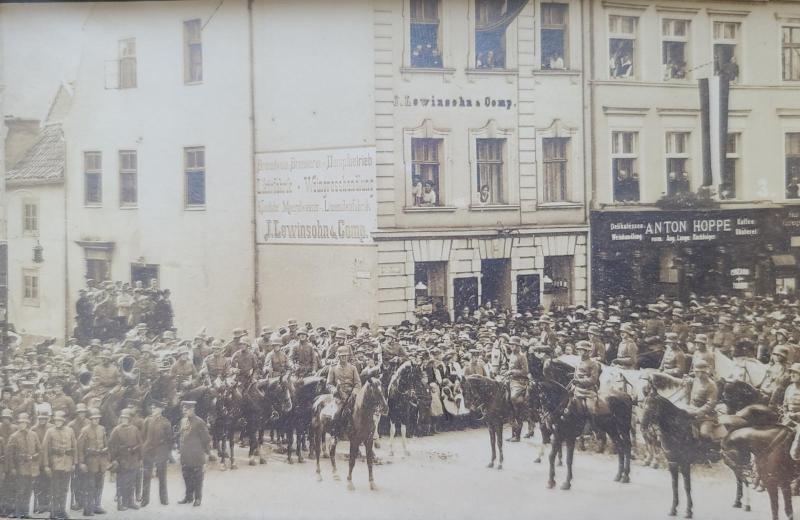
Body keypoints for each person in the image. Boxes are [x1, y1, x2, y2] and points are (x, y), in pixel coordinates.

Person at [42, 411, 76, 520]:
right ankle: (54, 511)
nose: (58, 422)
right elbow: (44, 449)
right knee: (55, 489)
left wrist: (74, 463)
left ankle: (62, 510)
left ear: (64, 421)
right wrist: (46, 465)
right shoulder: (50, 431)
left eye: (60, 420)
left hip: (67, 464)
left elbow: (74, 447)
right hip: (55, 464)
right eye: (56, 420)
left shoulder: (70, 430)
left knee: (64, 489)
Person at [7, 413, 41, 519]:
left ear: (27, 423)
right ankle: (17, 512)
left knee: (28, 491)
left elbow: (39, 450)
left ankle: (25, 512)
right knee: (20, 491)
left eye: (24, 423)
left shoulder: (33, 435)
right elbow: (10, 454)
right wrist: (12, 468)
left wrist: (34, 456)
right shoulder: (14, 436)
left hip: (31, 468)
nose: (22, 424)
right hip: (20, 468)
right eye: (20, 423)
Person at [178, 401, 211, 507]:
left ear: (192, 409)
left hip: (196, 455)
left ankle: (197, 498)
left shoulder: (199, 422)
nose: (184, 411)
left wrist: (206, 454)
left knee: (197, 478)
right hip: (185, 455)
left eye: (186, 409)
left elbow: (206, 439)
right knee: (186, 477)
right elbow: (181, 437)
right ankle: (188, 497)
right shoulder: (183, 421)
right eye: (183, 409)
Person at [76, 408, 108, 517]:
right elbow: (80, 448)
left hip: (101, 461)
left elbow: (106, 444)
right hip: (90, 461)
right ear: (90, 419)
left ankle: (97, 506)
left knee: (99, 484)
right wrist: (81, 463)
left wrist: (106, 454)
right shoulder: (85, 430)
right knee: (90, 485)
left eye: (98, 418)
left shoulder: (102, 429)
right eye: (94, 418)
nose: (96, 420)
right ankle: (88, 508)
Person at [109, 408, 142, 511]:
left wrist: (139, 457)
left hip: (133, 459)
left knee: (131, 482)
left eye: (126, 418)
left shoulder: (135, 429)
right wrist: (113, 459)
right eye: (123, 418)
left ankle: (130, 502)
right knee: (121, 482)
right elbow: (111, 446)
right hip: (121, 460)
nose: (124, 420)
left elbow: (140, 444)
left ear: (130, 419)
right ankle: (120, 503)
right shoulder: (116, 430)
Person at [326, 346, 362, 435]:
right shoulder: (333, 368)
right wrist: (334, 390)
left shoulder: (353, 368)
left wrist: (354, 392)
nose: (343, 358)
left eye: (345, 356)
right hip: (339, 396)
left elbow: (358, 383)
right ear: (338, 356)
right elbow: (329, 384)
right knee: (336, 413)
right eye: (341, 356)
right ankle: (334, 433)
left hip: (351, 395)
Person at [141, 402, 171, 507]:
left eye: (155, 408)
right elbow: (143, 436)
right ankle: (145, 500)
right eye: (152, 408)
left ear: (161, 410)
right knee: (146, 476)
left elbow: (169, 439)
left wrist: (166, 453)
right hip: (148, 451)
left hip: (160, 452)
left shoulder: (166, 422)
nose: (153, 410)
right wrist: (144, 448)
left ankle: (164, 499)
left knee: (162, 476)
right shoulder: (147, 420)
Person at [681, 359, 719, 441]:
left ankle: (712, 447)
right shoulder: (695, 380)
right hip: (691, 410)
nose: (699, 375)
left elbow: (711, 404)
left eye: (702, 372)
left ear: (706, 372)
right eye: (697, 372)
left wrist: (699, 411)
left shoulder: (711, 385)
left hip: (706, 415)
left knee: (704, 434)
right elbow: (688, 394)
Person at [504, 337, 529, 442]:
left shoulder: (522, 356)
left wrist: (512, 372)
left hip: (519, 381)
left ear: (518, 346)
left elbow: (525, 371)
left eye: (514, 345)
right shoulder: (512, 355)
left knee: (514, 397)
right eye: (511, 345)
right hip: (510, 380)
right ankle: (513, 434)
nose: (512, 346)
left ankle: (517, 435)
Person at [572, 341, 602, 415]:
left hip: (588, 391)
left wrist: (579, 381)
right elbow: (575, 375)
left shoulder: (593, 364)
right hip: (577, 389)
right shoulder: (578, 362)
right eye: (578, 350)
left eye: (581, 350)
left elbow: (593, 380)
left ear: (587, 352)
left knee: (590, 409)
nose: (579, 351)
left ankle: (592, 422)